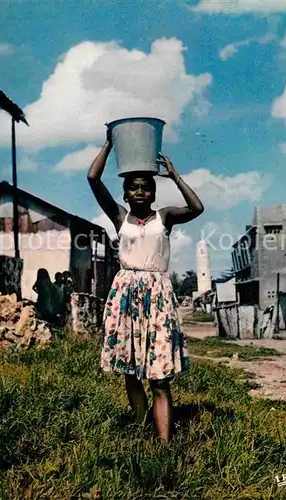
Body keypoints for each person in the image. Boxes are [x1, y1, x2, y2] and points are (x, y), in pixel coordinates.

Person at [87, 128, 204, 442]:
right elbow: (93, 179)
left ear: (153, 193)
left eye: (146, 188)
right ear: (125, 194)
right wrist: (110, 144)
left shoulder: (163, 218)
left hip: (157, 296)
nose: (140, 193)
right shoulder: (119, 218)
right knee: (130, 370)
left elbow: (196, 208)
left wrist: (175, 175)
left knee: (160, 377)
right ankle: (141, 430)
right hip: (126, 293)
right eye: (133, 189)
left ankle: (165, 444)